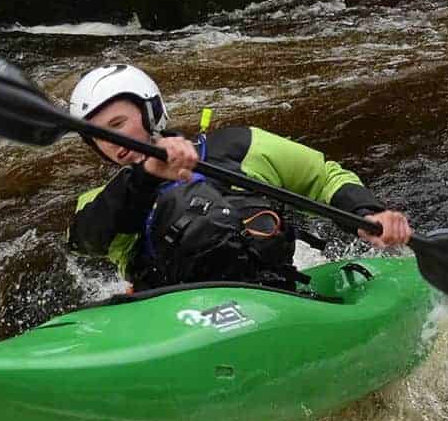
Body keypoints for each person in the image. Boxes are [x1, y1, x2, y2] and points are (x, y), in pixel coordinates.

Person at [66, 64, 412, 292]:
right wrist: (147, 177)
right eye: (98, 135)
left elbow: (321, 177)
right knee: (183, 208)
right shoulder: (105, 200)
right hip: (171, 312)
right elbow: (88, 241)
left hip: (274, 294)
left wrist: (367, 212)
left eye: (118, 125)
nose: (112, 142)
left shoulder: (238, 147)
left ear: (150, 113)